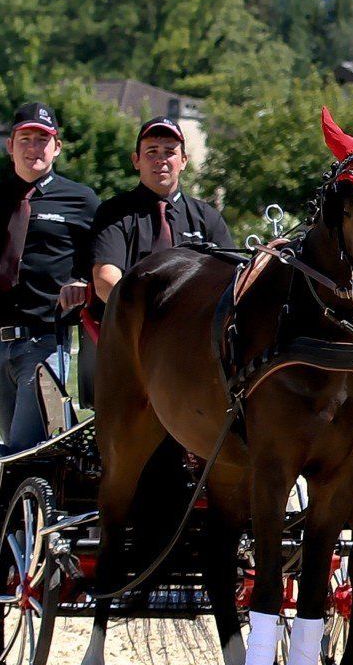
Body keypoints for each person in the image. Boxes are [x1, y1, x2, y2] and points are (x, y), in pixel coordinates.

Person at [0, 102, 98, 452]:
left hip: (43, 340)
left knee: (27, 448)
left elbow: (99, 260)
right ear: (9, 146)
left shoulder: (81, 200)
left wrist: (83, 282)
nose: (33, 148)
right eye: (24, 139)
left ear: (56, 148)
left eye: (42, 140)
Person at [91, 115, 235, 306]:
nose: (161, 160)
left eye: (169, 152)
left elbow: (230, 279)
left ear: (183, 161)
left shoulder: (208, 218)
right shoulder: (114, 212)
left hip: (194, 326)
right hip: (133, 327)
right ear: (136, 160)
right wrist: (146, 317)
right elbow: (105, 279)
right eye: (152, 151)